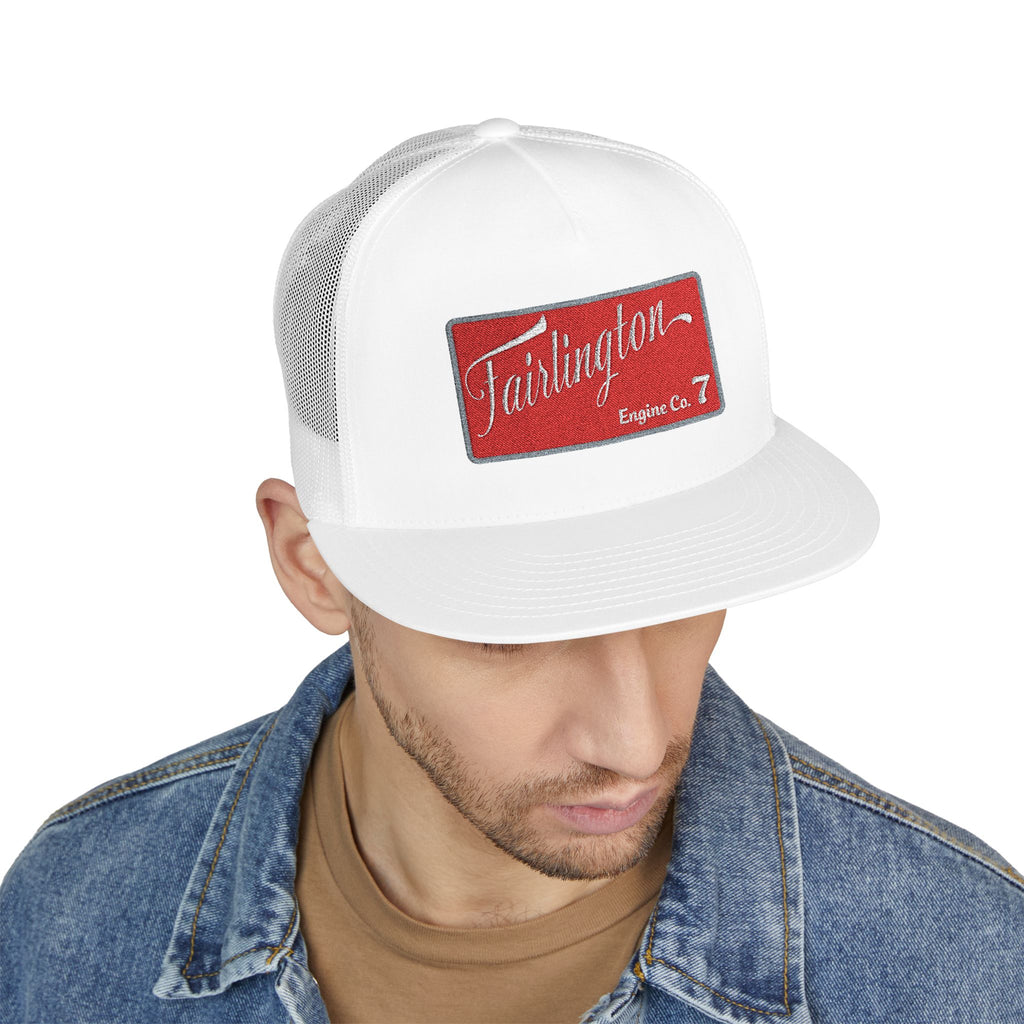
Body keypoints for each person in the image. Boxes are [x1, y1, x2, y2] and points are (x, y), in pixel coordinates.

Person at [1, 118, 1021, 1024]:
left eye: (680, 592)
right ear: (314, 566)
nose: (635, 741)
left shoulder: (960, 969)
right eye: (515, 627)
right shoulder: (69, 921)